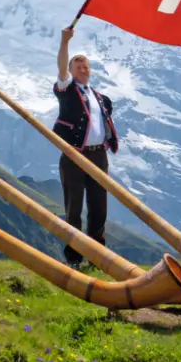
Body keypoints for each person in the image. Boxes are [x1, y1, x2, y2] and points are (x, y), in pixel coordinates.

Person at [51, 26, 119, 269]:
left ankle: (97, 256)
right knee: (74, 206)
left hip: (98, 154)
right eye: (78, 65)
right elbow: (60, 67)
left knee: (99, 206)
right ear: (70, 71)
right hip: (74, 154)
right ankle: (74, 257)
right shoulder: (67, 91)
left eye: (86, 65)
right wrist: (65, 41)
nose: (83, 68)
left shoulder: (101, 97)